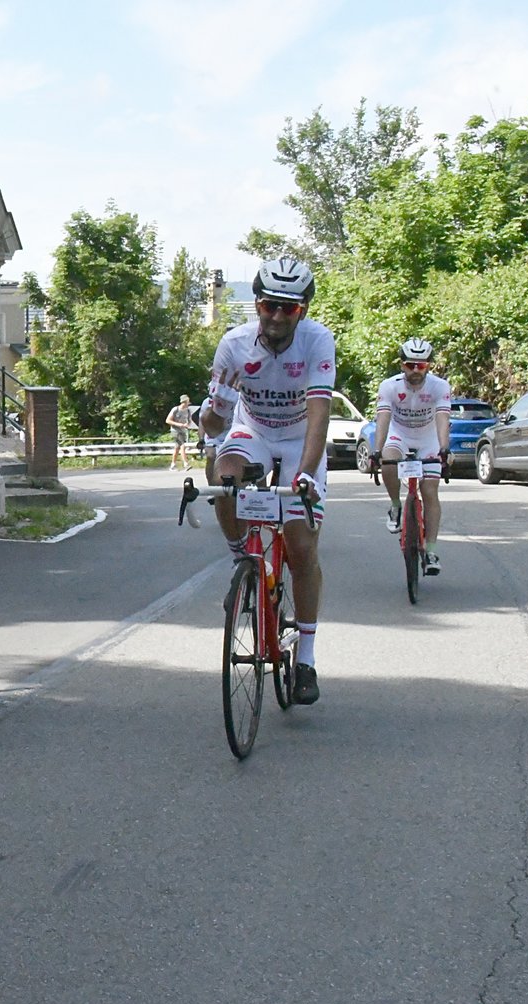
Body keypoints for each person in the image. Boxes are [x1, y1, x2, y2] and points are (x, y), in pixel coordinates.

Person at [198, 256, 333, 705]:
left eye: (288, 309)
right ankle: (243, 561)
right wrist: (216, 406)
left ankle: (307, 657)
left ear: (304, 311)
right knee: (224, 479)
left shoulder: (317, 342)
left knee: (301, 545)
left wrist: (305, 476)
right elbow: (215, 431)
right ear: (257, 303)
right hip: (252, 429)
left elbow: (318, 417)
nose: (276, 316)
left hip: (298, 438)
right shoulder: (233, 345)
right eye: (269, 305)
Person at [373, 339, 452, 575]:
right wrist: (376, 451)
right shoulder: (389, 386)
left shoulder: (439, 386)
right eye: (410, 365)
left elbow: (442, 419)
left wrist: (444, 448)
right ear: (401, 365)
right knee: (388, 459)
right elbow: (383, 419)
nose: (415, 371)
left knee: (429, 491)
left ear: (428, 365)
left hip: (428, 439)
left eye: (421, 366)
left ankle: (431, 550)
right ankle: (396, 506)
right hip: (400, 435)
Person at [165, 395, 194, 470]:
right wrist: (179, 424)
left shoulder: (188, 410)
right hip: (175, 430)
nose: (188, 404)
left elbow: (189, 420)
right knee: (182, 446)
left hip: (183, 431)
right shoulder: (175, 409)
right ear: (183, 402)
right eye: (187, 402)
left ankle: (173, 465)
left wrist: (187, 425)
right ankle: (186, 464)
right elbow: (168, 420)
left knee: (177, 448)